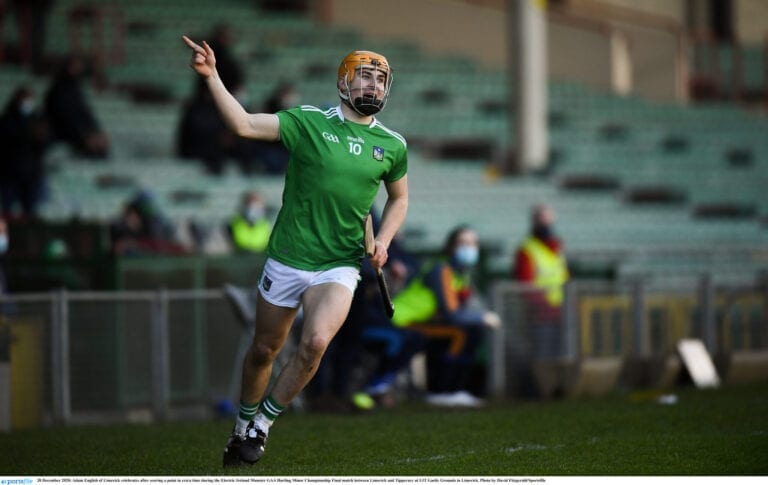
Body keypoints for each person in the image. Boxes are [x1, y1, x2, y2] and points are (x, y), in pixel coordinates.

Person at [182, 36, 408, 467]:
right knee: (265, 349)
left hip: (339, 264)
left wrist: (384, 239)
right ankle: (241, 424)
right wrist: (213, 78)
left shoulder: (392, 145)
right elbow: (244, 125)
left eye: (380, 81)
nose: (374, 87)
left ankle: (262, 425)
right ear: (344, 82)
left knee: (316, 342)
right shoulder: (308, 122)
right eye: (366, 77)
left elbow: (399, 200)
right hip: (288, 256)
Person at [373, 225, 500, 407]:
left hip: (420, 322)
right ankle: (444, 390)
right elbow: (452, 313)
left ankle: (449, 389)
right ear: (450, 246)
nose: (469, 248)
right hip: (402, 320)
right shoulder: (442, 270)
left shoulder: (460, 274)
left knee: (466, 332)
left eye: (473, 243)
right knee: (462, 333)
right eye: (463, 243)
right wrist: (483, 317)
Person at [511, 204, 569, 358]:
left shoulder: (557, 249)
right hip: (540, 316)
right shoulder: (526, 250)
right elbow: (525, 286)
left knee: (561, 356)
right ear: (534, 221)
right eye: (542, 219)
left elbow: (565, 278)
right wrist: (546, 307)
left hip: (562, 314)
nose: (547, 224)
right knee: (542, 357)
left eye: (549, 220)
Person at [44, 55, 110, 159]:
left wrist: (96, 132)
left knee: (102, 150)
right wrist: (85, 136)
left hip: (79, 133)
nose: (78, 69)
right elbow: (64, 117)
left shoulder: (76, 89)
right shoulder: (58, 90)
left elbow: (85, 113)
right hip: (63, 132)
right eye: (75, 66)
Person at [0, 86, 51, 218]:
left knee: (30, 211)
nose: (28, 103)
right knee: (7, 210)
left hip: (31, 174)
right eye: (25, 99)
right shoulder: (7, 120)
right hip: (9, 173)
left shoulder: (36, 120)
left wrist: (41, 137)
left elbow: (43, 146)